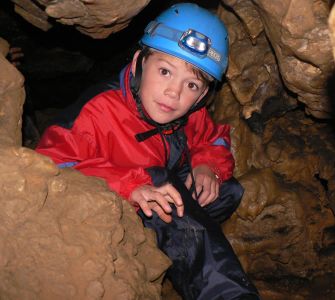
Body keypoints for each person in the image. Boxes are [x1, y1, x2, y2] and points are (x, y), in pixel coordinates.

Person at [36, 3, 260, 299]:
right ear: (140, 61)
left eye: (191, 84)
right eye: (165, 71)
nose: (174, 92)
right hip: (119, 202)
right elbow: (49, 163)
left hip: (160, 195)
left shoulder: (189, 113)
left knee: (227, 191)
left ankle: (170, 249)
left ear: (203, 94)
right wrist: (128, 186)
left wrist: (208, 166)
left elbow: (213, 139)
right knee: (163, 192)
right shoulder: (98, 112)